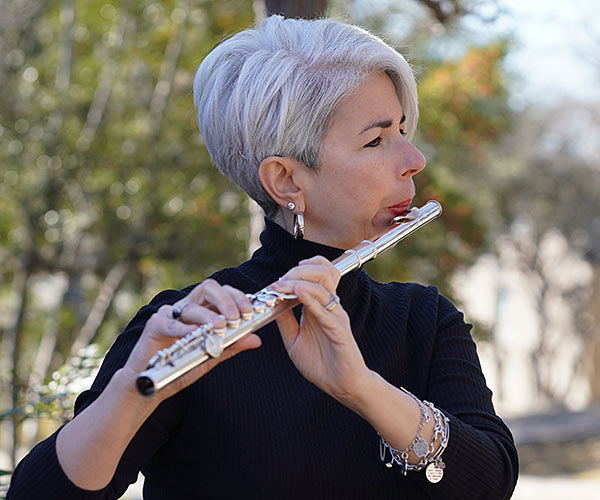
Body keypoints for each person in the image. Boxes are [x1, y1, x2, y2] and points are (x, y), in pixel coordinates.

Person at [8, 15, 518, 499]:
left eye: (402, 130)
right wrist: (133, 393)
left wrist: (362, 388)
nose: (413, 160)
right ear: (286, 180)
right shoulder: (189, 327)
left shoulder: (424, 321)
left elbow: (490, 481)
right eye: (376, 139)